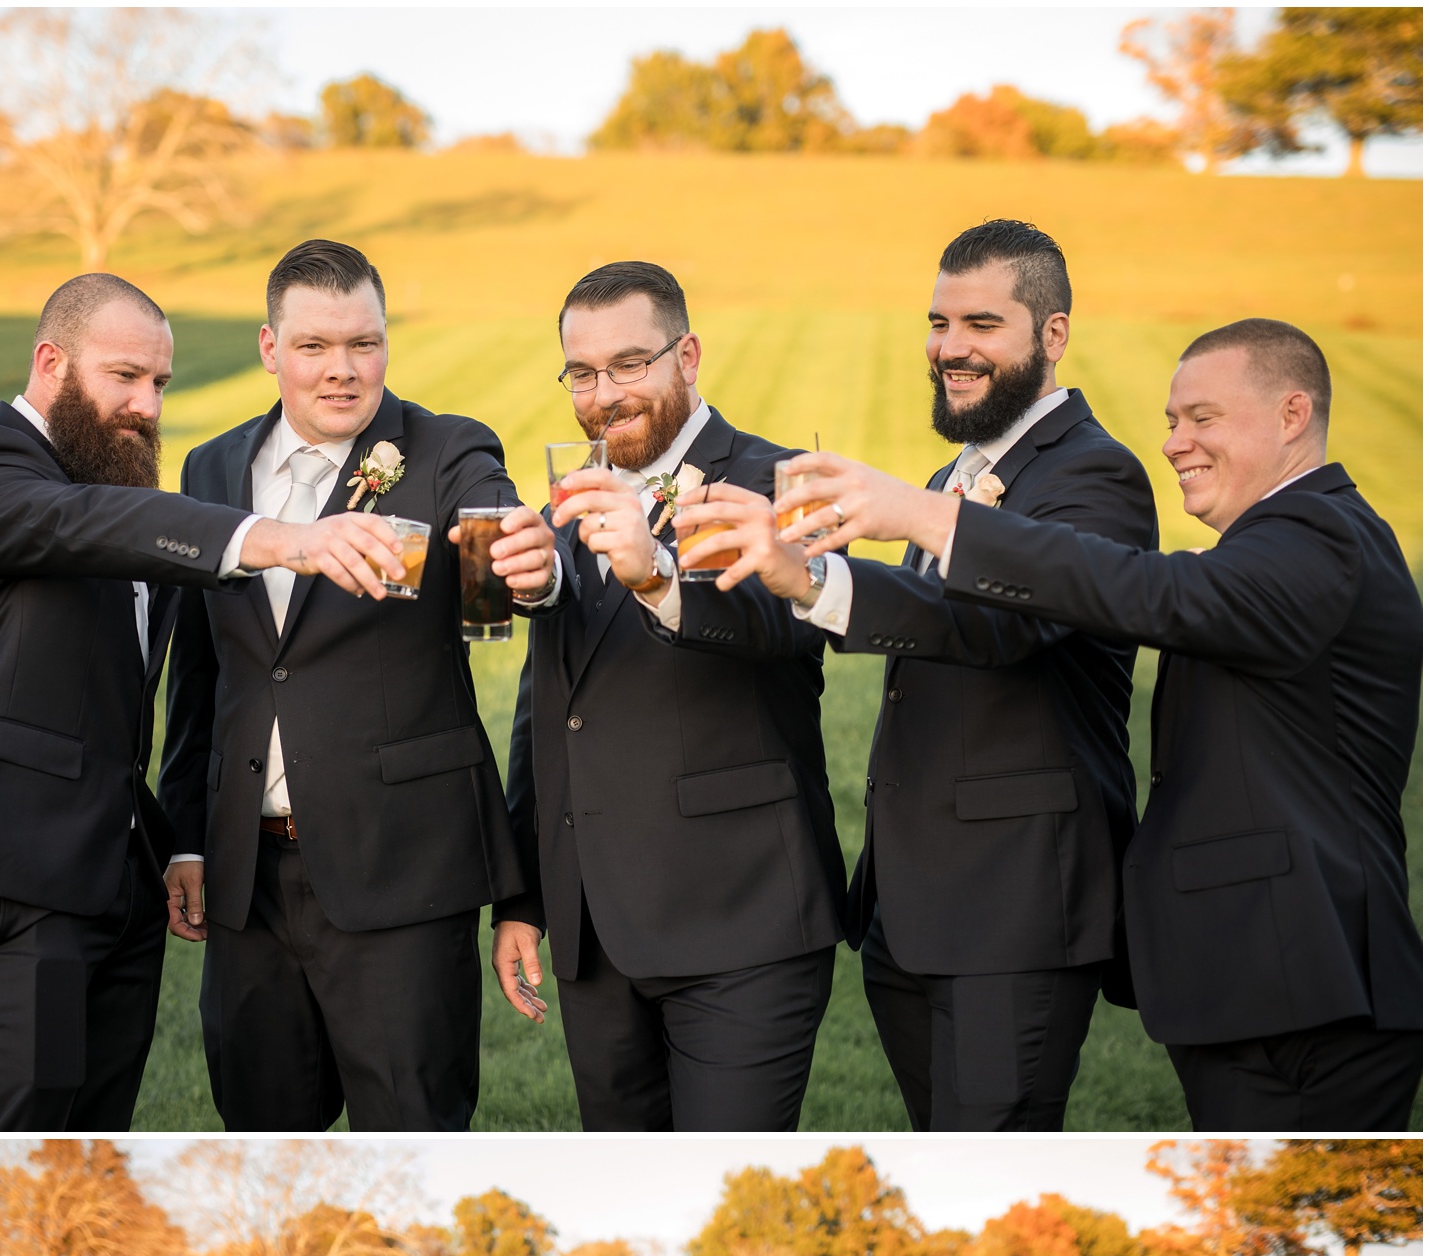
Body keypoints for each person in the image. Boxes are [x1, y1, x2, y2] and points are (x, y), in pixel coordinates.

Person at [780, 316, 1423, 1128]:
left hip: (1312, 986)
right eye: (1171, 421)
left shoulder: (1322, 531)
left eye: (1203, 418)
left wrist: (929, 518)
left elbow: (1155, 595)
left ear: (1293, 416)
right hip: (1259, 981)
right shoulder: (1275, 551)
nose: (1175, 443)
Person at [667, 220, 1158, 1130]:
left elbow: (1004, 629)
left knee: (991, 1161)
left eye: (982, 324)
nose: (950, 348)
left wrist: (815, 579)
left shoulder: (1099, 477)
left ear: (1052, 336)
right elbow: (936, 622)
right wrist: (797, 556)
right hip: (911, 910)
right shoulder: (956, 472)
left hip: (1015, 913)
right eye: (938, 322)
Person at [0, 270, 406, 1131]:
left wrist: (170, 843)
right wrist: (279, 538)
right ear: (51, 363)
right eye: (124, 376)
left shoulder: (111, 488)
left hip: (112, 888)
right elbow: (73, 524)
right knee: (22, 1155)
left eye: (160, 382)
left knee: (96, 1155)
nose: (148, 405)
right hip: (4, 886)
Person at [160, 238, 558, 1130]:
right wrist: (186, 837)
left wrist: (524, 562)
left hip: (400, 870)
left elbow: (493, 522)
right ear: (270, 348)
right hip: (245, 880)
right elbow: (202, 673)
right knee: (263, 1136)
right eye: (314, 348)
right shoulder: (211, 470)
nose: (343, 371)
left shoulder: (448, 451)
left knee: (414, 1133)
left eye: (364, 344)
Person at [490, 259, 847, 1131]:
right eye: (581, 372)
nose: (603, 394)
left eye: (629, 364)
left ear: (688, 355)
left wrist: (658, 578)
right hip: (594, 935)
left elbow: (789, 628)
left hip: (741, 921)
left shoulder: (779, 482)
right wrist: (525, 898)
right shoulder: (569, 497)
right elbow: (550, 704)